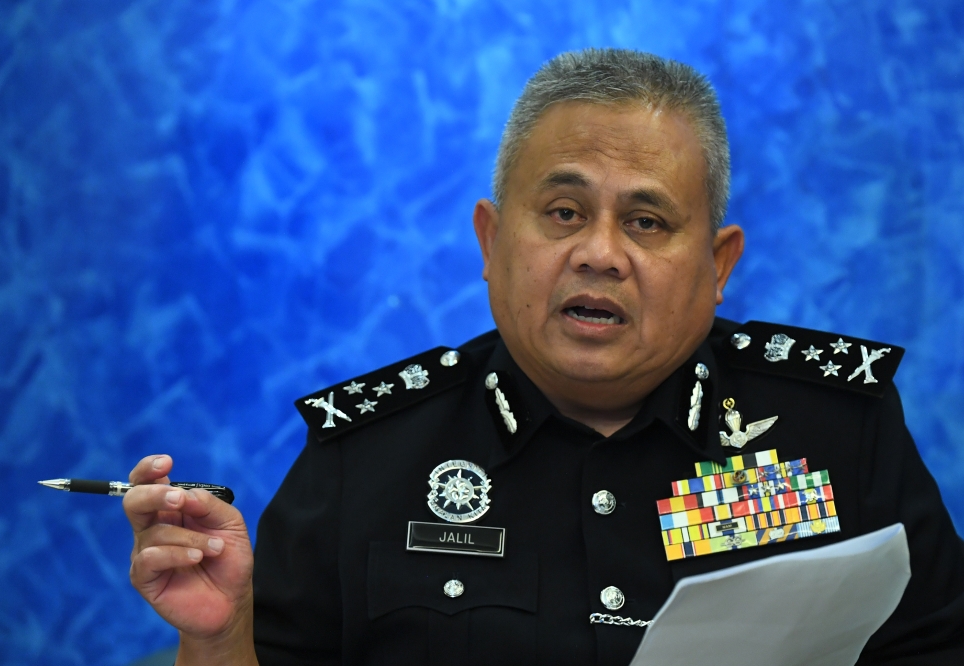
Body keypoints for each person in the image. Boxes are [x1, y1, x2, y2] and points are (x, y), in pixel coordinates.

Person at [122, 49, 964, 665]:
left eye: (647, 221)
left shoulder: (840, 432)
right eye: (563, 212)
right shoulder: (364, 455)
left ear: (718, 266)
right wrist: (220, 636)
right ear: (492, 241)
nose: (600, 253)